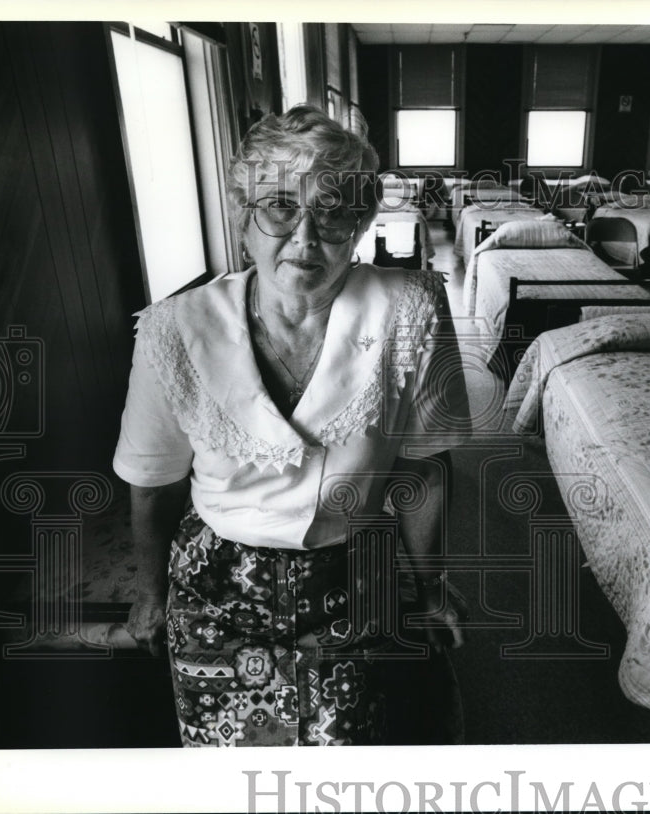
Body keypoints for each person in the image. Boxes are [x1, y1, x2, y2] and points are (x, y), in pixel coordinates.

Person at [113, 105, 471, 746]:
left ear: (361, 221)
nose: (306, 240)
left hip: (355, 578)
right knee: (236, 773)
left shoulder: (412, 306)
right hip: (217, 585)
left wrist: (432, 587)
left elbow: (422, 469)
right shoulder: (175, 329)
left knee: (353, 761)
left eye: (333, 212)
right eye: (279, 206)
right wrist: (149, 592)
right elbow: (154, 483)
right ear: (243, 216)